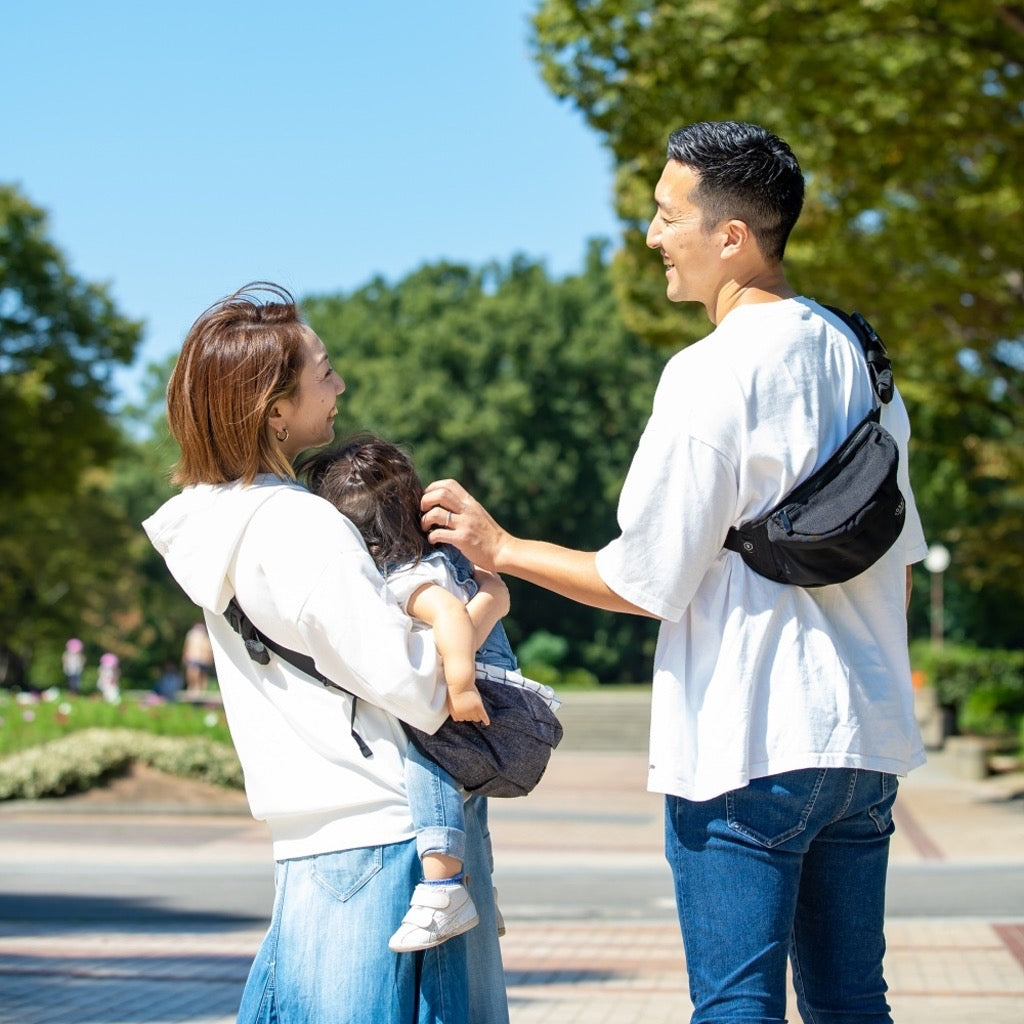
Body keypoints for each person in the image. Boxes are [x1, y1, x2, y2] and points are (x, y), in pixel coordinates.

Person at [419, 122, 928, 1024]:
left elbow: (646, 581)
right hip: (864, 739)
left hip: (747, 743)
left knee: (735, 1007)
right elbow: (901, 560)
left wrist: (499, 551)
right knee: (855, 1001)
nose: (652, 235)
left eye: (665, 215)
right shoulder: (862, 360)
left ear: (730, 236)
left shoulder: (709, 372)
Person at [143, 283, 508, 1024]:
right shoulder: (297, 526)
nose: (340, 386)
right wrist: (478, 609)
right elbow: (415, 684)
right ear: (275, 410)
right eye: (324, 372)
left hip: (313, 840)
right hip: (387, 842)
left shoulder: (215, 526)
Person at [300, 433, 517, 954]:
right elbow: (487, 596)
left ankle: (444, 888)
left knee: (430, 764)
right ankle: (478, 890)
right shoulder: (436, 559)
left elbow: (447, 617)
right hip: (492, 675)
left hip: (471, 685)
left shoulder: (404, 578)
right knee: (469, 801)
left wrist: (460, 686)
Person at [181, 621, 214, 693]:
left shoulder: (206, 635)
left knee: (201, 676)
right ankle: (193, 690)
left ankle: (199, 691)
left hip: (201, 658)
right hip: (195, 657)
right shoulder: (193, 634)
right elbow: (187, 646)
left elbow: (208, 648)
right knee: (194, 674)